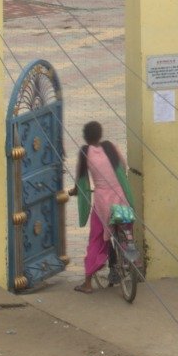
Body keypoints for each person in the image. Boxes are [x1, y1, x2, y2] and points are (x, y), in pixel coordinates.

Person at [68, 121, 134, 294]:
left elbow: (81, 180)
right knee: (126, 229)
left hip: (102, 202)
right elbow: (123, 166)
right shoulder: (110, 147)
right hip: (120, 197)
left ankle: (88, 283)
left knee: (96, 239)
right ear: (100, 134)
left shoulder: (85, 152)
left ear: (85, 137)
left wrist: (75, 191)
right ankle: (131, 258)